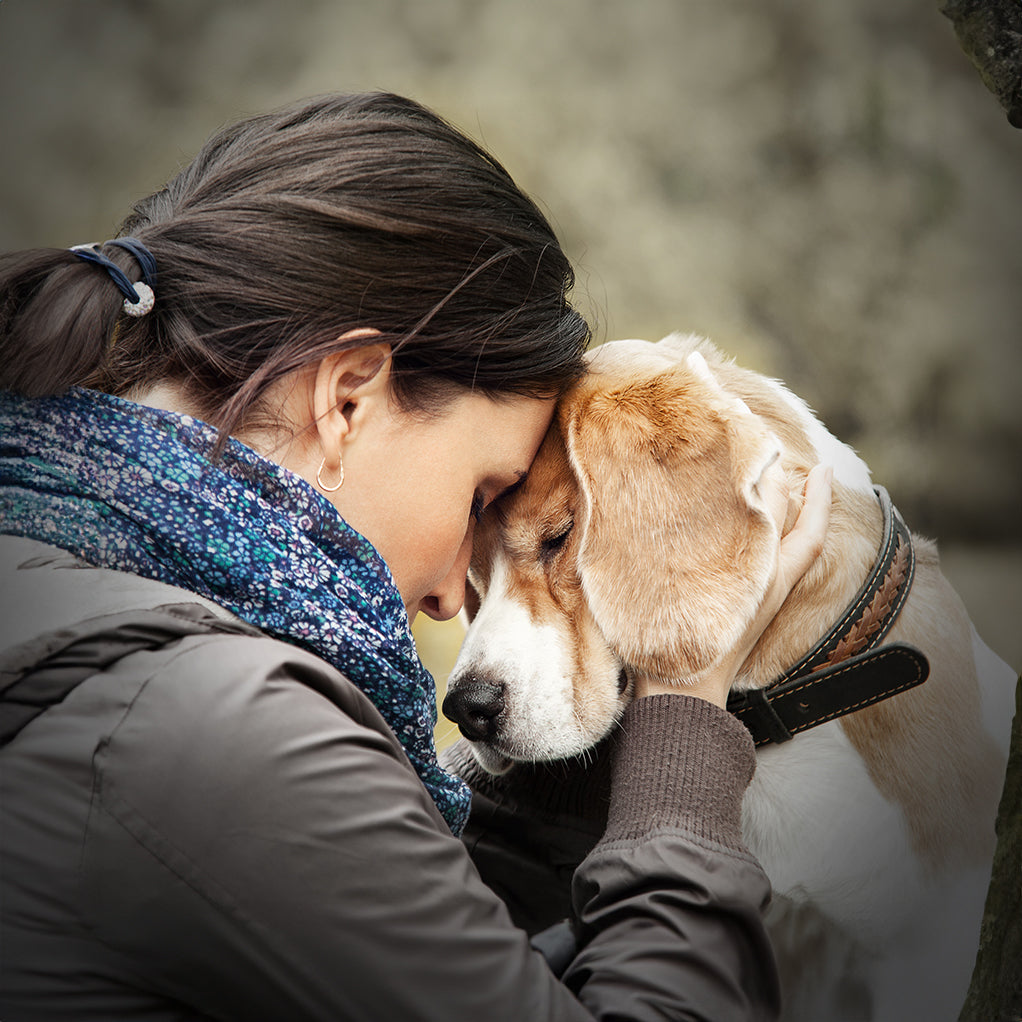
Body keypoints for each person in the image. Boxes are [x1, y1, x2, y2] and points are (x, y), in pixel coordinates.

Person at [0, 91, 831, 1022]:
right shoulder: (209, 723)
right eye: (481, 497)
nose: (449, 601)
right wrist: (683, 721)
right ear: (348, 397)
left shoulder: (51, 578)